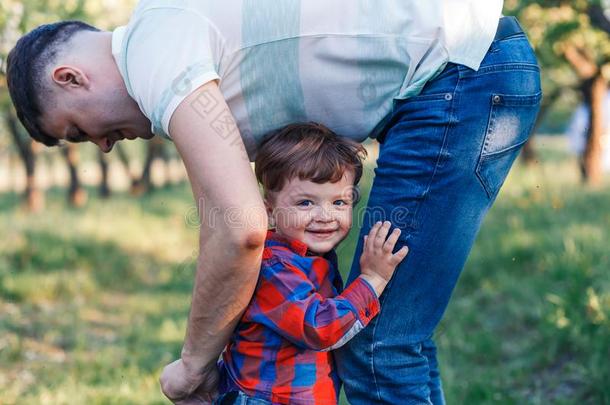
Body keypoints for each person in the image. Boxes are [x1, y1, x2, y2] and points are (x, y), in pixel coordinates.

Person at [6, 1, 542, 403]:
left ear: (70, 78)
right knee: (392, 340)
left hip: (463, 75)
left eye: (78, 130)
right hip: (462, 73)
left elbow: (240, 230)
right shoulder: (166, 43)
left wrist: (194, 366)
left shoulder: (153, 54)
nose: (101, 145)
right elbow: (223, 226)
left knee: (377, 344)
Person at [212, 122, 407, 404]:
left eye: (339, 202)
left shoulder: (311, 259)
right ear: (270, 211)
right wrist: (373, 279)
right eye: (305, 203)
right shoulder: (275, 267)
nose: (325, 215)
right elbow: (320, 327)